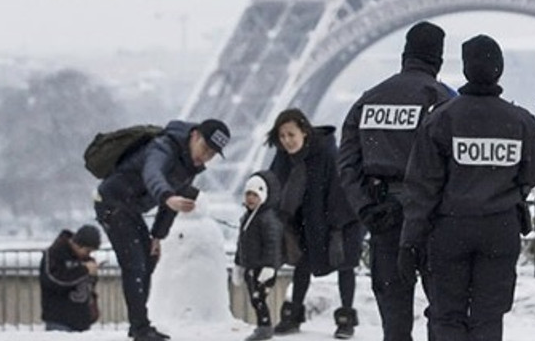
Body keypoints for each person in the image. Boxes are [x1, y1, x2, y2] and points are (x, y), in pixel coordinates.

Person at [399, 34, 535, 341]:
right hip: (500, 226)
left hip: (449, 227)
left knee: (447, 315)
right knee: (489, 316)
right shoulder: (521, 120)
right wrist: (508, 192)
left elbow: (423, 187)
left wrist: (410, 241)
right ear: (500, 68)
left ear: (465, 69)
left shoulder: (441, 119)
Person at [337, 21, 455, 341]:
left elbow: (347, 163)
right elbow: (455, 166)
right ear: (439, 59)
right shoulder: (443, 99)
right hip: (432, 216)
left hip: (383, 214)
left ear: (404, 54)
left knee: (394, 318)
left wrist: (365, 209)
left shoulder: (369, 100)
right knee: (444, 312)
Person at [93, 118, 231, 341]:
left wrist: (158, 235)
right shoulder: (164, 147)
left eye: (212, 154)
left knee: (148, 259)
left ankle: (140, 325)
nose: (205, 157)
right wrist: (167, 196)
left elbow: (171, 205)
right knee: (134, 264)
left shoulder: (189, 166)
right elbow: (153, 174)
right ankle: (140, 328)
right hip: (112, 202)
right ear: (194, 135)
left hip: (130, 208)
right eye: (205, 148)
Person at [266, 108, 364, 338]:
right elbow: (272, 185)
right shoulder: (284, 157)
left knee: (345, 266)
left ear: (305, 132)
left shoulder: (328, 154)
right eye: (282, 136)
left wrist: (337, 227)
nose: (287, 141)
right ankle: (293, 316)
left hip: (341, 221)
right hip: (308, 222)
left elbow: (340, 191)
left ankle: (345, 320)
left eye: (291, 135)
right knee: (303, 265)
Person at [234, 171, 284, 341]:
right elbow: (241, 243)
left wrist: (270, 266)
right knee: (254, 297)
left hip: (263, 267)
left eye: (255, 195)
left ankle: (265, 326)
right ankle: (263, 325)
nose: (250, 198)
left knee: (259, 297)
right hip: (251, 266)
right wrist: (238, 264)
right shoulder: (247, 218)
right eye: (248, 194)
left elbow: (273, 244)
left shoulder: (267, 219)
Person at [39, 224, 103, 332]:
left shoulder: (87, 260)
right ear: (77, 245)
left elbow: (89, 288)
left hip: (82, 321)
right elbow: (54, 280)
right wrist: (84, 270)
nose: (88, 254)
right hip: (59, 320)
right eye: (87, 251)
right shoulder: (54, 254)